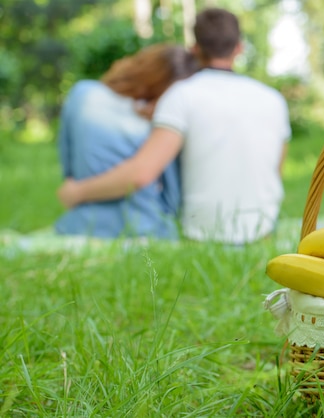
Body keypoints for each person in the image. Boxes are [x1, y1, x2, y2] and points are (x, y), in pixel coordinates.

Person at [57, 8, 292, 245]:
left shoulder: (181, 95)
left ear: (195, 49)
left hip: (202, 236)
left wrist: (75, 192)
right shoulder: (274, 99)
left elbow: (142, 172)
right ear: (239, 48)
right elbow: (276, 172)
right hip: (263, 231)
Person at [55, 43, 198, 239]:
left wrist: (77, 192)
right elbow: (169, 193)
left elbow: (69, 166)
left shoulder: (81, 94)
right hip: (147, 228)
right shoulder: (164, 119)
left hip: (81, 225)